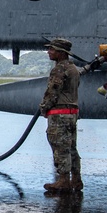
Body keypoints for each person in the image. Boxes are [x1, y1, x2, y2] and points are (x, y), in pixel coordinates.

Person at [40, 38, 82, 193]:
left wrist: (44, 108)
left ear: (60, 52)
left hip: (60, 114)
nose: (49, 52)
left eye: (52, 49)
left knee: (59, 146)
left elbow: (53, 92)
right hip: (72, 114)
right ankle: (76, 179)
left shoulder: (59, 69)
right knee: (71, 147)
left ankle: (63, 180)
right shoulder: (73, 69)